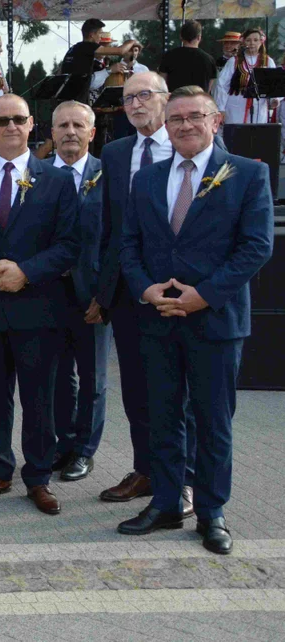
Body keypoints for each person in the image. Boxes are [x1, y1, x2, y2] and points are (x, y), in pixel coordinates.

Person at [116, 86, 273, 555]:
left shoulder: (248, 174)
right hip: (158, 318)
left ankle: (211, 512)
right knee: (162, 417)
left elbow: (256, 246)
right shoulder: (147, 179)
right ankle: (165, 503)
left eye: (194, 116)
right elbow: (130, 243)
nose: (184, 125)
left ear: (215, 120)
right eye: (176, 118)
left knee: (212, 421)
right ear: (166, 125)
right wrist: (145, 289)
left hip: (215, 320)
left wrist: (203, 296)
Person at [0, 94, 79, 516]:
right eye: (1, 120)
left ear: (30, 126)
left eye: (18, 119)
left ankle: (38, 477)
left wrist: (27, 270)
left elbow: (69, 244)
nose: (9, 126)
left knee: (39, 398)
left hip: (39, 307)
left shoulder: (57, 182)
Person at [95, 72, 197, 512]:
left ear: (165, 98)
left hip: (182, 294)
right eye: (127, 98)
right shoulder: (116, 153)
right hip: (130, 292)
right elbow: (108, 229)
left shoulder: (193, 147)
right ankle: (146, 469)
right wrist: (102, 291)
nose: (134, 104)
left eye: (143, 95)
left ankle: (186, 479)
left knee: (181, 393)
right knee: (136, 388)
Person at [46, 101, 108, 483]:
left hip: (94, 297)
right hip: (48, 292)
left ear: (92, 132)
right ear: (51, 133)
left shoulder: (109, 175)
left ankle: (85, 450)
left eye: (78, 125)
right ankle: (63, 443)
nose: (70, 131)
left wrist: (105, 293)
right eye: (63, 125)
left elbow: (117, 238)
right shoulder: (35, 175)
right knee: (57, 375)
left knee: (93, 377)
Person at [60, 20, 141, 104]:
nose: (100, 37)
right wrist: (132, 42)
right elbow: (120, 51)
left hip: (68, 97)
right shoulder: (88, 46)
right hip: (76, 100)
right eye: (100, 34)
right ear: (92, 35)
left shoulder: (75, 48)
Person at [215, 27, 277, 125]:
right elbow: (222, 85)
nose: (252, 43)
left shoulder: (268, 61)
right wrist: (220, 108)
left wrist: (274, 99)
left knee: (256, 136)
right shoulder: (234, 61)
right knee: (237, 136)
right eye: (248, 40)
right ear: (243, 43)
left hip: (259, 107)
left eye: (255, 40)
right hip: (236, 106)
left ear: (261, 42)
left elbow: (276, 83)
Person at [157, 21, 219, 93]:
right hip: (198, 101)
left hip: (175, 100)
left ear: (181, 36)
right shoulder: (209, 59)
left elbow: (162, 82)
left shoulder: (169, 56)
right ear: (199, 37)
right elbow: (208, 88)